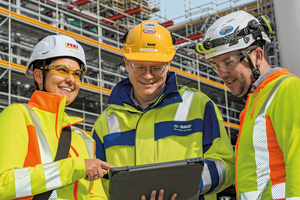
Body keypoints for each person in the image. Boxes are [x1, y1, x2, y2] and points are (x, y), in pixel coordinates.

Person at [91, 20, 235, 200]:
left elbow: (226, 166)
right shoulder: (106, 121)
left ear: (168, 65)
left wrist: (181, 186)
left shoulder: (198, 106)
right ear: (127, 64)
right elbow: (94, 186)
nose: (148, 75)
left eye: (157, 68)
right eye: (140, 67)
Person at [196, 10, 300, 199]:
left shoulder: (286, 89)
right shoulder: (255, 101)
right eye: (216, 65)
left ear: (257, 56)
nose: (222, 73)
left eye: (228, 62)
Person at [0, 35, 113, 200]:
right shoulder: (19, 115)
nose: (71, 80)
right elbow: (3, 183)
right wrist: (74, 168)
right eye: (62, 70)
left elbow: (95, 195)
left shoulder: (84, 138)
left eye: (77, 74)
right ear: (38, 76)